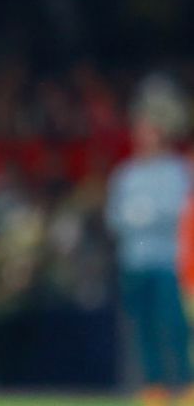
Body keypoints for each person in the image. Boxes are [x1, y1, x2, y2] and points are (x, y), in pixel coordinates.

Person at [106, 114, 193, 406]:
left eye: (151, 133)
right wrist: (135, 218)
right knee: (143, 327)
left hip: (168, 261)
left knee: (174, 324)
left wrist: (147, 215)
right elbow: (114, 217)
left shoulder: (177, 171)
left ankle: (185, 383)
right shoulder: (126, 174)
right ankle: (154, 386)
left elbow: (180, 212)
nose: (145, 139)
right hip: (134, 261)